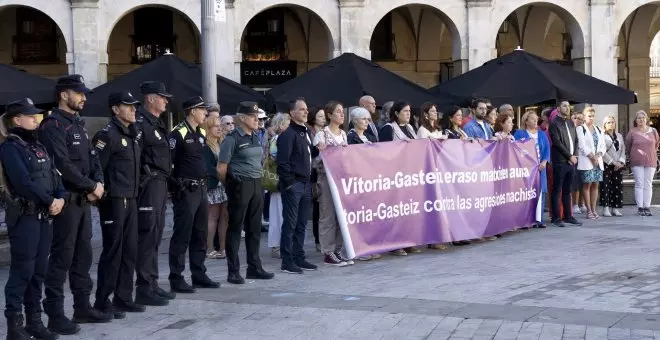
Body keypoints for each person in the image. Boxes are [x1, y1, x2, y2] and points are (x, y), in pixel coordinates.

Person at [40, 74, 110, 334]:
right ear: (63, 95)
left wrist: (98, 182)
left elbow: (93, 158)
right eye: (78, 93)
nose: (83, 97)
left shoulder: (77, 123)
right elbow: (61, 164)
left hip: (83, 201)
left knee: (83, 256)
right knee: (62, 258)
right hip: (67, 200)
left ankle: (82, 306)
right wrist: (91, 186)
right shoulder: (53, 125)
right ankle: (55, 313)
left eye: (84, 93)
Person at [0, 99, 66, 340]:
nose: (36, 119)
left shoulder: (38, 146)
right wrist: (50, 201)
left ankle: (34, 321)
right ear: (17, 119)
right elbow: (23, 182)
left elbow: (54, 175)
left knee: (39, 271)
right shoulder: (11, 148)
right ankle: (14, 326)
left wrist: (61, 198)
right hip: (26, 217)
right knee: (23, 271)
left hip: (43, 217)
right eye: (31, 116)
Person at [92, 91, 146, 319]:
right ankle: (103, 301)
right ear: (115, 109)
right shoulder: (107, 135)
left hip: (131, 198)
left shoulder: (131, 133)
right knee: (113, 251)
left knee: (130, 250)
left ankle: (123, 297)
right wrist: (103, 196)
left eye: (134, 106)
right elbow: (97, 169)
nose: (134, 110)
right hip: (114, 201)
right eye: (128, 106)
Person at [218, 102, 275, 283]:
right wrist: (231, 184)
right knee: (235, 229)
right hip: (240, 185)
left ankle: (254, 267)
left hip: (257, 183)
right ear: (242, 118)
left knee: (255, 229)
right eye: (252, 116)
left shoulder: (256, 136)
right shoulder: (232, 138)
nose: (256, 119)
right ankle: (233, 271)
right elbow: (221, 168)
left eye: (257, 116)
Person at [168, 96, 220, 292]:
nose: (205, 113)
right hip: (185, 190)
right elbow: (168, 163)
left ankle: (199, 273)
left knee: (200, 233)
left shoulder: (200, 132)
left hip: (200, 188)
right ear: (192, 111)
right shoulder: (178, 133)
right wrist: (175, 186)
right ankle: (176, 276)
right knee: (182, 234)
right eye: (202, 110)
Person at [134, 81, 175, 305]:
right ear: (150, 98)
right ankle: (143, 287)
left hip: (160, 183)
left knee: (157, 234)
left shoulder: (155, 123)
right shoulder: (141, 124)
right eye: (162, 97)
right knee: (147, 234)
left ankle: (152, 283)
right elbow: (135, 157)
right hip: (149, 184)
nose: (166, 101)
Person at [277, 98, 319, 274]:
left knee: (302, 223)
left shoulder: (306, 132)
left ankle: (299, 257)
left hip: (305, 183)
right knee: (290, 223)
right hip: (294, 184)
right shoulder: (288, 135)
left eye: (306, 109)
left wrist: (320, 148)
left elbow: (309, 154)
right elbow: (283, 162)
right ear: (292, 113)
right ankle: (287, 261)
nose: (306, 112)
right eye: (302, 109)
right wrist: (288, 184)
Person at [314, 101, 353, 267]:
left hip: (341, 178)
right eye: (337, 112)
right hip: (326, 178)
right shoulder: (321, 135)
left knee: (340, 216)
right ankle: (328, 251)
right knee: (327, 215)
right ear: (329, 115)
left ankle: (338, 248)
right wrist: (322, 152)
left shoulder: (344, 134)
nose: (341, 114)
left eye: (342, 111)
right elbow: (315, 161)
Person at [548, 101, 582, 227]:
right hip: (560, 162)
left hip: (571, 162)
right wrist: (569, 156)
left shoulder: (570, 123)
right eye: (564, 106)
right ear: (558, 108)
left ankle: (568, 216)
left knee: (568, 190)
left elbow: (576, 141)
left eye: (568, 106)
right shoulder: (554, 123)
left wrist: (574, 156)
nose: (567, 108)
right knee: (557, 190)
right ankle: (556, 218)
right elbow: (557, 142)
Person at [514, 111, 550, 228]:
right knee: (526, 193)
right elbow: (516, 149)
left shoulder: (542, 134)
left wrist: (544, 162)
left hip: (540, 168)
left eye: (536, 119)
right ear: (526, 121)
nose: (536, 122)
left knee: (541, 192)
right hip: (527, 169)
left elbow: (547, 150)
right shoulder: (519, 133)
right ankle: (526, 220)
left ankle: (539, 219)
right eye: (533, 120)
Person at [202, 115, 228, 260]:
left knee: (225, 216)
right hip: (213, 185)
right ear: (208, 128)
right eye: (215, 126)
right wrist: (220, 173)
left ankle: (223, 248)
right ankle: (209, 248)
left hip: (224, 185)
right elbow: (208, 167)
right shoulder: (206, 146)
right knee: (213, 217)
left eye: (220, 125)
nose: (219, 128)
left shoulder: (222, 143)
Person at [625, 110, 660, 216]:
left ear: (646, 119)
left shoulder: (653, 131)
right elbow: (628, 145)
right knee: (639, 184)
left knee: (648, 184)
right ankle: (640, 207)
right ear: (636, 120)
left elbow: (657, 144)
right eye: (639, 118)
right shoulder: (632, 131)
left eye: (643, 117)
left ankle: (647, 207)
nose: (641, 119)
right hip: (636, 161)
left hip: (650, 160)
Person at [266, 113, 291, 259]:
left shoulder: (277, 139)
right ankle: (278, 244)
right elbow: (277, 158)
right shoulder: (277, 140)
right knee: (279, 214)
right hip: (279, 182)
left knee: (279, 213)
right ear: (281, 125)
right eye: (288, 124)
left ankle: (280, 244)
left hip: (280, 182)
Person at [576, 107, 606, 220]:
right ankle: (588, 210)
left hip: (598, 161)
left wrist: (598, 155)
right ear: (584, 116)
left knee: (595, 185)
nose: (591, 118)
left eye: (593, 116)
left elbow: (603, 145)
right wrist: (592, 157)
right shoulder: (580, 129)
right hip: (586, 161)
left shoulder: (598, 129)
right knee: (587, 185)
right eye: (589, 116)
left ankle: (594, 210)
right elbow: (582, 146)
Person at [307, 107, 325, 252]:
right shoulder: (309, 133)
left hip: (326, 171)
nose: (323, 118)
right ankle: (318, 239)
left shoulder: (326, 132)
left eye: (324, 116)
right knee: (317, 208)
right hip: (314, 173)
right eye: (320, 116)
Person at [600, 116, 626, 217]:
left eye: (612, 122)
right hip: (607, 164)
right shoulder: (602, 135)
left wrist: (621, 162)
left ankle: (615, 208)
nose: (611, 124)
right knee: (605, 186)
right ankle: (605, 208)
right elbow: (602, 151)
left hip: (618, 166)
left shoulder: (619, 135)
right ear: (605, 124)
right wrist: (612, 162)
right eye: (608, 122)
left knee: (617, 186)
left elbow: (623, 149)